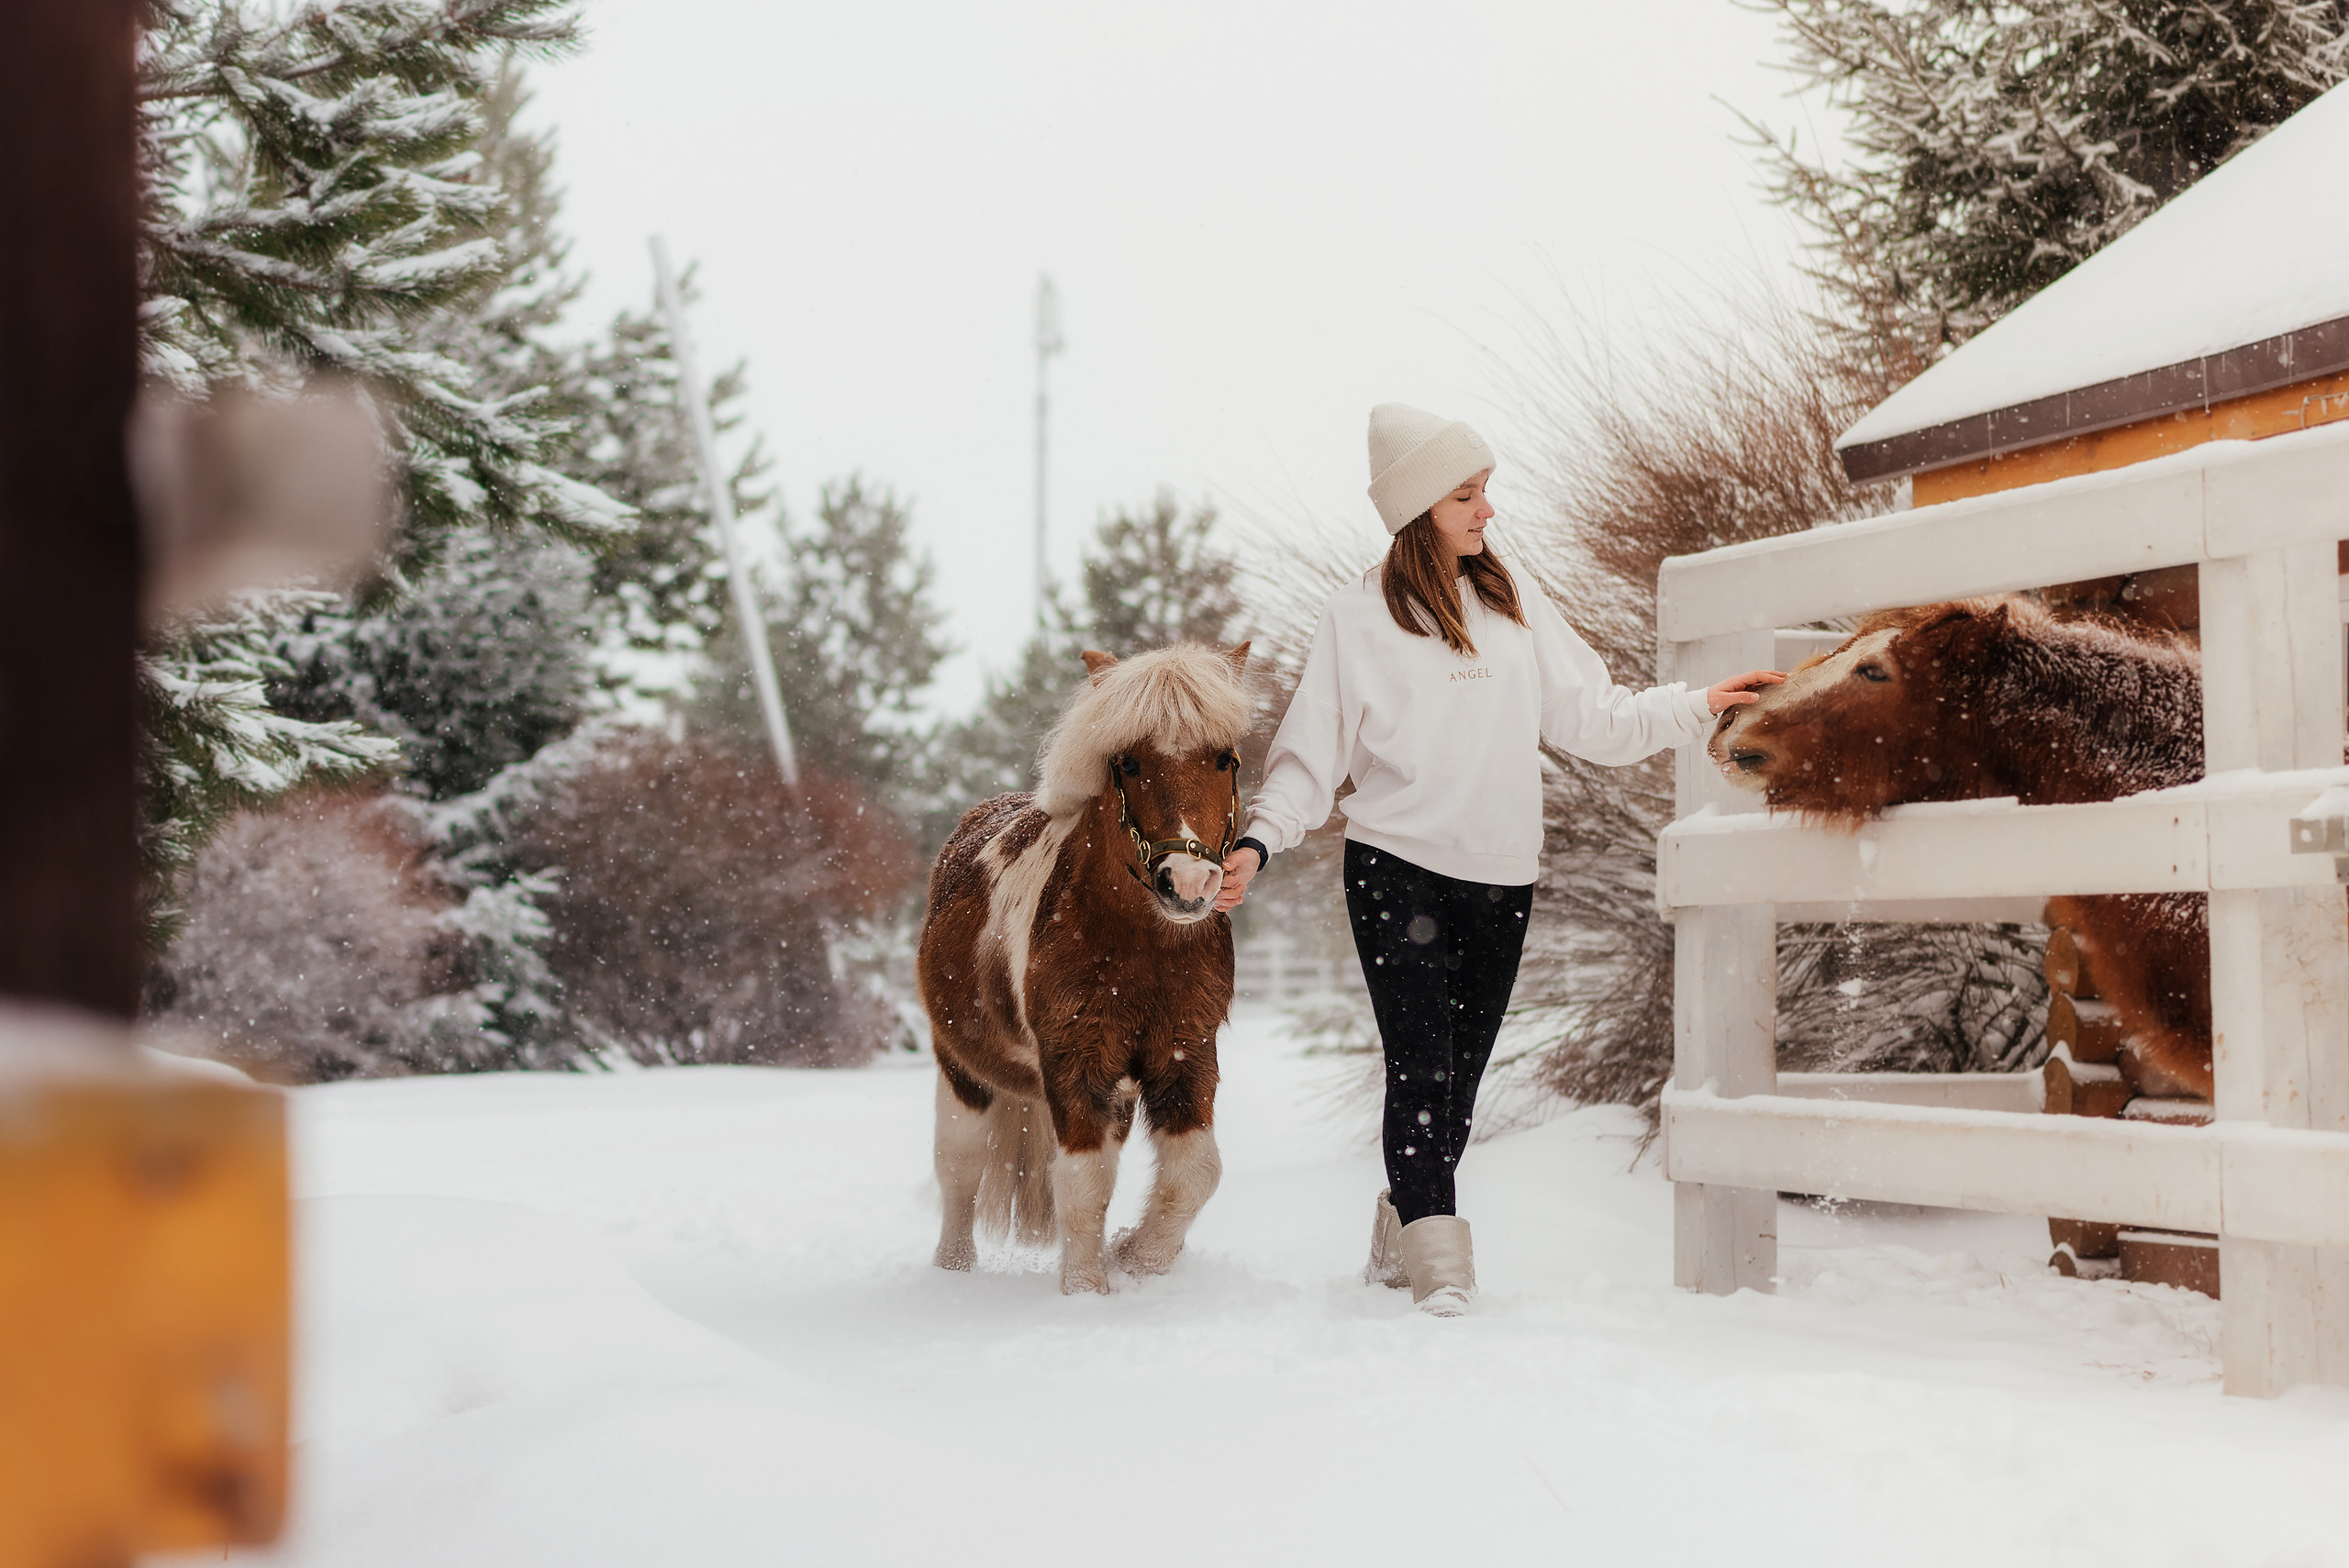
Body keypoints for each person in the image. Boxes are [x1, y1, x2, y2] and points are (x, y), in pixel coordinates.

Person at [1213, 403, 1780, 1317]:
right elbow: (1308, 763)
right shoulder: (1356, 619)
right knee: (1423, 1065)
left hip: (1502, 875)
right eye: (1465, 494)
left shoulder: (1513, 603)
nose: (1487, 511)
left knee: (1461, 1080)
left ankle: (1402, 1224)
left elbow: (1596, 718)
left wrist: (1697, 702)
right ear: (1415, 510)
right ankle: (1442, 1260)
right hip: (1394, 867)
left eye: (1486, 491)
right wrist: (1255, 842)